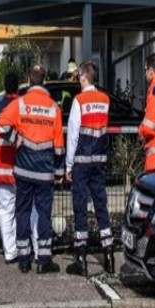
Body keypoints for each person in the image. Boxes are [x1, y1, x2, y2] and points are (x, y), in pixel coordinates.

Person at [0, 64, 65, 274]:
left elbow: (1, 125)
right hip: (45, 170)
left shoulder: (20, 103)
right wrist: (60, 172)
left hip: (24, 168)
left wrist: (15, 138)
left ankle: (24, 259)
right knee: (43, 213)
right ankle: (44, 260)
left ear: (29, 79)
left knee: (22, 211)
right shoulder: (54, 107)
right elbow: (59, 146)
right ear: (44, 80)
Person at [0, 72, 40, 264]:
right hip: (21, 166)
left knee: (5, 212)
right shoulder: (23, 107)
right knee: (29, 209)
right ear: (18, 87)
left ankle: (10, 252)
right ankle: (34, 248)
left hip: (0, 167)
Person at [65, 61, 114, 276]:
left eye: (79, 77)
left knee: (80, 208)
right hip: (99, 160)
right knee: (101, 206)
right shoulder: (105, 100)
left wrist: (68, 165)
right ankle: (109, 254)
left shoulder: (80, 100)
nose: (78, 80)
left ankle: (81, 257)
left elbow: (73, 135)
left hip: (82, 162)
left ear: (84, 77)